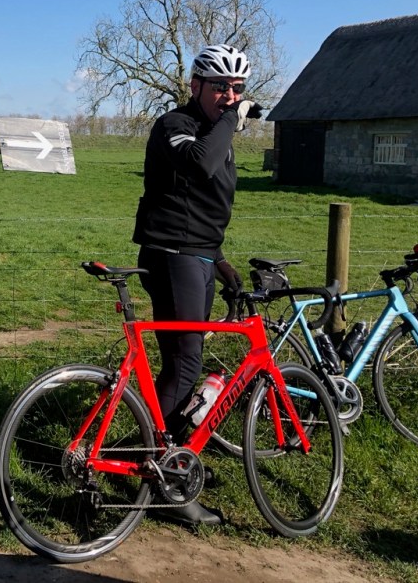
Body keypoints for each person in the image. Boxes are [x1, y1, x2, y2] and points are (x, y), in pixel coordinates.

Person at [132, 43, 259, 526]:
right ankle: (158, 476)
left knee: (182, 365)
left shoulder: (213, 132)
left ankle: (153, 458)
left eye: (237, 88)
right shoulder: (175, 125)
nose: (230, 96)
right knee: (186, 365)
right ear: (196, 86)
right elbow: (199, 166)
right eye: (220, 87)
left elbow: (198, 206)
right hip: (173, 256)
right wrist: (230, 119)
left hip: (199, 256)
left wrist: (221, 262)